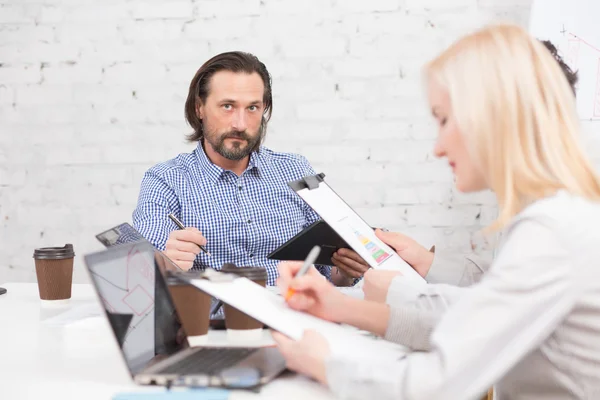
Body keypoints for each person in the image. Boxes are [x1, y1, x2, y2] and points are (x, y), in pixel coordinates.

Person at [273, 24, 600, 399]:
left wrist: (323, 363)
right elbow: (473, 316)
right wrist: (340, 305)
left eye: (444, 120)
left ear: (493, 117)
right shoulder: (562, 211)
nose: (438, 147)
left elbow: (437, 384)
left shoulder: (552, 229)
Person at [362, 38, 580, 308]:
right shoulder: (540, 199)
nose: (438, 148)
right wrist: (424, 260)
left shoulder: (555, 221)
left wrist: (392, 296)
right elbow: (502, 288)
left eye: (446, 120)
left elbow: (496, 320)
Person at [132, 51, 367, 286]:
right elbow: (140, 278)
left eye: (252, 108)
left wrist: (347, 269)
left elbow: (331, 275)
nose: (240, 124)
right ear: (199, 108)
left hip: (296, 315)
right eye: (227, 106)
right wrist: (164, 262)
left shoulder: (296, 169)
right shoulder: (165, 180)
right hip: (220, 320)